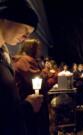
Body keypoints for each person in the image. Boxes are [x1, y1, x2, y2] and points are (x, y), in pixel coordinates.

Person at [0, 0, 43, 135]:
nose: (26, 37)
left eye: (29, 33)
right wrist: (27, 107)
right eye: (26, 29)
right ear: (5, 17)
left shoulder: (4, 54)